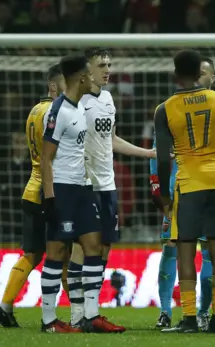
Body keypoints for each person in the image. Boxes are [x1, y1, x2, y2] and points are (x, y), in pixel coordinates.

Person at [66, 48, 155, 328]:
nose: (107, 69)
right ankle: (78, 314)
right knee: (83, 248)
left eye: (109, 64)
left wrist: (149, 154)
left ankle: (92, 312)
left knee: (103, 249)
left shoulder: (107, 98)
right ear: (86, 70)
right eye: (100, 64)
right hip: (85, 185)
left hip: (108, 185)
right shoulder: (76, 103)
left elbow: (111, 140)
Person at [155, 50, 215, 333]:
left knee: (185, 252)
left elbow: (164, 158)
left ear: (177, 74)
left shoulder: (165, 108)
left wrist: (164, 198)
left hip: (188, 183)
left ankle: (189, 317)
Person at [40, 55, 124, 333]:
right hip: (62, 190)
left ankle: (90, 315)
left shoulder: (78, 108)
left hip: (83, 188)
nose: (94, 78)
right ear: (81, 78)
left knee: (93, 246)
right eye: (89, 74)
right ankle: (49, 320)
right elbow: (46, 158)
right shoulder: (59, 111)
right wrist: (50, 198)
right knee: (56, 253)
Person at [0, 64, 65, 328]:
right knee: (62, 252)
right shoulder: (55, 112)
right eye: (65, 86)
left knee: (32, 254)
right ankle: (82, 313)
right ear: (54, 86)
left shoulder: (34, 110)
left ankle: (4, 306)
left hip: (31, 190)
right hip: (49, 192)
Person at [150, 56, 215, 330]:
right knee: (171, 248)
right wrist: (159, 189)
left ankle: (201, 312)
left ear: (213, 78)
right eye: (197, 73)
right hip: (178, 190)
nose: (200, 78)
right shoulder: (171, 109)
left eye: (205, 74)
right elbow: (159, 152)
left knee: (209, 252)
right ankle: (166, 311)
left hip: (211, 190)